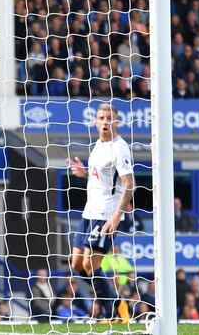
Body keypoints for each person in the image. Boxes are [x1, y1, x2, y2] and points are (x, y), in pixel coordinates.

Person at [66, 103, 134, 321]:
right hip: (89, 212)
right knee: (77, 264)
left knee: (89, 264)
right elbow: (103, 179)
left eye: (109, 118)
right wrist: (84, 173)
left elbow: (129, 184)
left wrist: (116, 215)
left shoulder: (120, 147)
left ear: (116, 122)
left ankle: (113, 312)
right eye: (101, 118)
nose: (105, 122)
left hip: (106, 215)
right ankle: (115, 301)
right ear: (96, 121)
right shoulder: (97, 145)